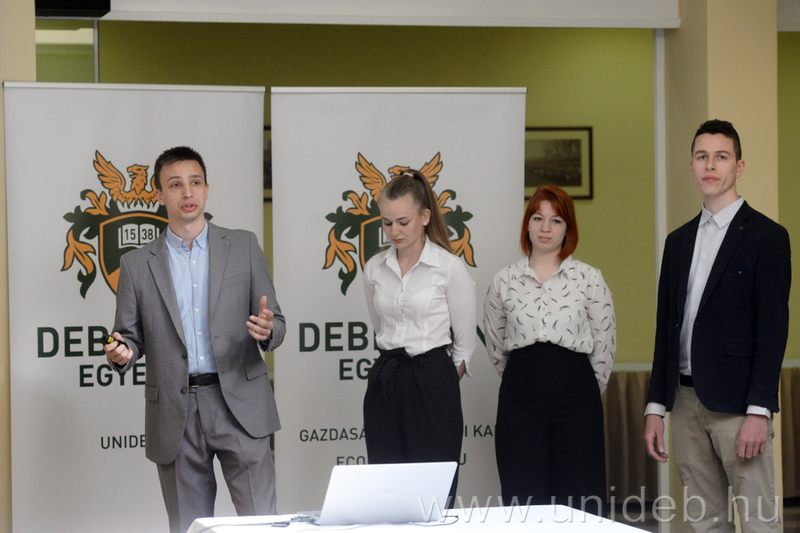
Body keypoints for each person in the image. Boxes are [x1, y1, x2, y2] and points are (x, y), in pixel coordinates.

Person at [104, 146, 285, 533]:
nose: (187, 192)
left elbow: (277, 321)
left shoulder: (243, 246)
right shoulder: (136, 264)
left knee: (263, 523)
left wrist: (268, 330)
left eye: (195, 182)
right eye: (175, 185)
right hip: (176, 412)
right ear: (158, 194)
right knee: (188, 526)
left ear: (206, 189)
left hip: (241, 404)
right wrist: (122, 353)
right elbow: (129, 338)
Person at [644, 119, 790, 533]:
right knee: (706, 523)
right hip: (685, 404)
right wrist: (656, 407)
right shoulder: (677, 242)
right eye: (702, 157)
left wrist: (759, 410)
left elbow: (773, 331)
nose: (710, 165)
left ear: (738, 166)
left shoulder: (767, 237)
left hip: (740, 407)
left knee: (759, 523)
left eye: (721, 157)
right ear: (691, 166)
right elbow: (665, 331)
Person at [483, 185, 615, 515]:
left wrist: (580, 388)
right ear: (527, 224)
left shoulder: (589, 279)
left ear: (568, 228)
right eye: (538, 218)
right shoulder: (504, 281)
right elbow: (495, 345)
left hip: (577, 401)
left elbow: (604, 345)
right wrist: (526, 378)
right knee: (523, 500)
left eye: (556, 220)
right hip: (519, 401)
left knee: (581, 502)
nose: (545, 227)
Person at [362, 169, 476, 499]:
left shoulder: (449, 268)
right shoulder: (374, 268)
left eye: (403, 222)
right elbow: (379, 328)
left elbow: (465, 347)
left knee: (433, 492)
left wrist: (436, 384)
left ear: (425, 217)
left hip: (433, 381)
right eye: (387, 223)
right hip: (386, 380)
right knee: (387, 490)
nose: (394, 231)